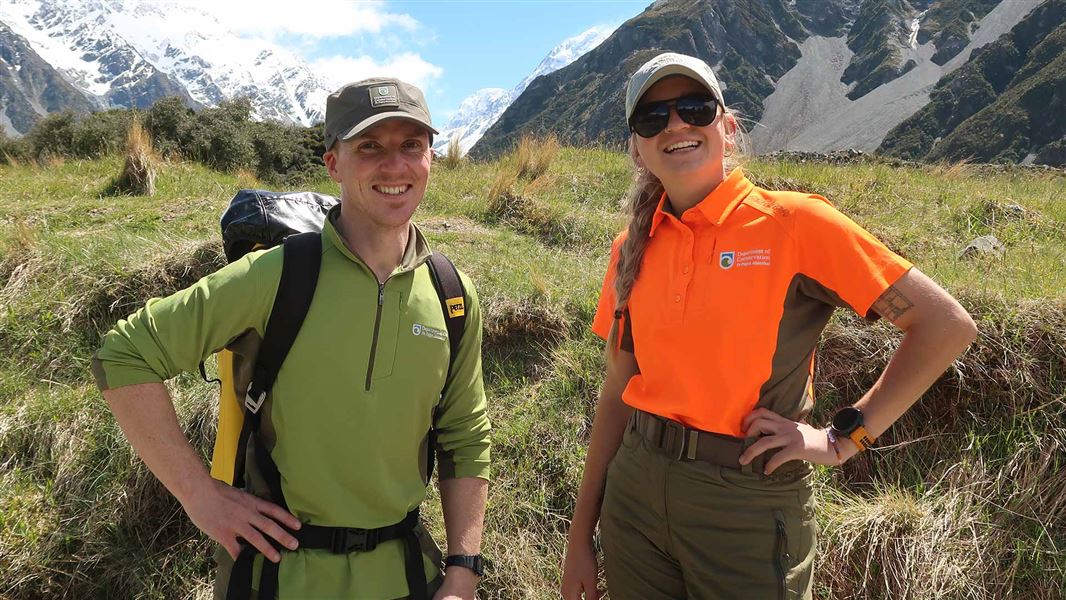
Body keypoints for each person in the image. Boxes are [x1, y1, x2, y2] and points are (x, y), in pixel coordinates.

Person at [561, 53, 978, 599]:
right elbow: (617, 392)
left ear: (727, 127)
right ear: (636, 147)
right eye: (653, 118)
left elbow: (945, 325)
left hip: (747, 503)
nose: (677, 125)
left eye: (695, 107)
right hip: (634, 496)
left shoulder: (795, 224)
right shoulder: (630, 250)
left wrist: (841, 440)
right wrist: (579, 534)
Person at [92, 78, 491, 600]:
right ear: (333, 163)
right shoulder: (275, 276)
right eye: (369, 146)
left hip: (407, 577)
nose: (395, 165)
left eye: (411, 145)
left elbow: (464, 435)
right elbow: (124, 355)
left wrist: (463, 568)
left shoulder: (451, 294)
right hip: (281, 578)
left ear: (431, 158)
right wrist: (199, 494)